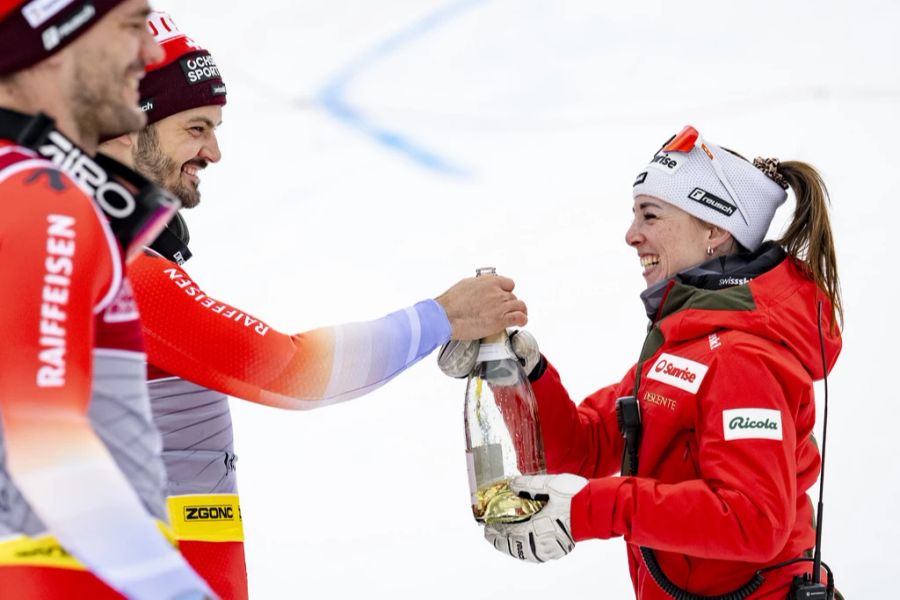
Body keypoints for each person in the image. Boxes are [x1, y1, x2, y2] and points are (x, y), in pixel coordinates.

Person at [99, 12, 528, 599]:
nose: (215, 151)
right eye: (196, 127)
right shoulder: (119, 272)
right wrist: (445, 317)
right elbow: (290, 370)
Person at [441, 125, 842, 599]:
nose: (632, 235)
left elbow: (754, 519)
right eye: (634, 215)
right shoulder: (683, 343)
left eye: (650, 215)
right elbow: (585, 447)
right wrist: (516, 373)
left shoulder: (743, 357)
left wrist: (594, 508)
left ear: (714, 229)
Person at [0, 1, 216, 598]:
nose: (149, 54)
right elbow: (44, 443)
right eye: (130, 28)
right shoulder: (38, 194)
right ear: (56, 41)